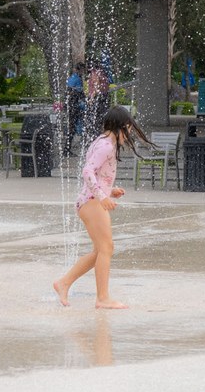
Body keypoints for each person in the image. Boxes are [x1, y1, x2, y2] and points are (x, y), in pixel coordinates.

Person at [54, 105, 148, 310]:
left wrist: (109, 190)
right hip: (91, 202)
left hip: (90, 200)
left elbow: (96, 174)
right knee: (107, 248)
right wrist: (102, 196)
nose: (129, 134)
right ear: (121, 126)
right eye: (129, 130)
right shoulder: (106, 145)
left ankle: (64, 283)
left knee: (100, 250)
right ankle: (102, 298)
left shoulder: (102, 142)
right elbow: (87, 171)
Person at [66, 62, 85, 153]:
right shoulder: (76, 78)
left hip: (72, 104)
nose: (83, 72)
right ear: (79, 69)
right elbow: (74, 91)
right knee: (72, 127)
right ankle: (67, 149)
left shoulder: (73, 77)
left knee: (72, 127)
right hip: (73, 105)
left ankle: (67, 148)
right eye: (82, 70)